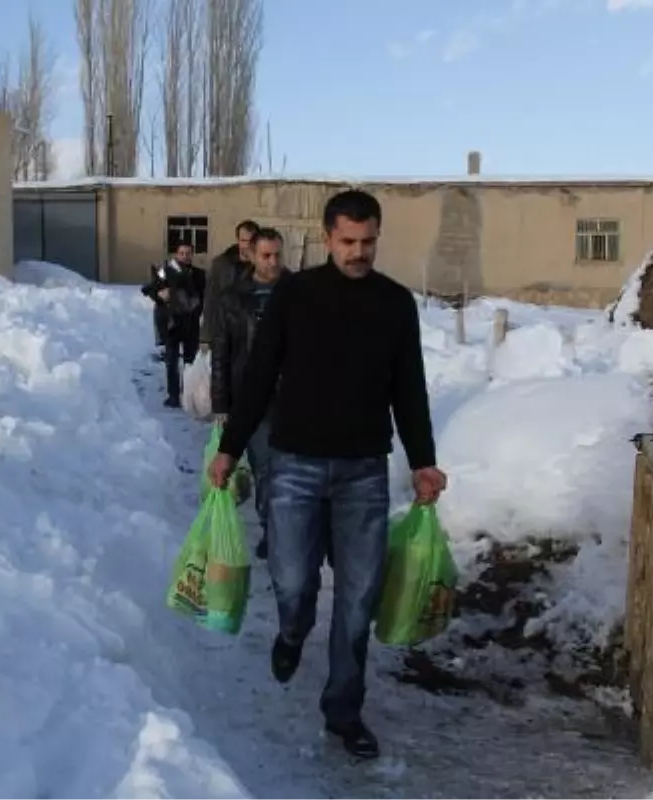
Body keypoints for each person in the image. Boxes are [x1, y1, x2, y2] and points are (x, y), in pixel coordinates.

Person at [205, 189, 448, 760]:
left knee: (359, 599)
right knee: (293, 584)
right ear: (328, 236)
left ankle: (344, 712)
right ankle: (292, 632)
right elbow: (260, 375)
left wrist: (422, 461)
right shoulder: (295, 295)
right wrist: (230, 447)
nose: (358, 252)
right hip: (293, 465)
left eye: (368, 243)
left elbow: (409, 388)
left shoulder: (394, 304)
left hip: (364, 470)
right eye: (348, 242)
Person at [210, 227, 289, 561]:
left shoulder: (298, 292)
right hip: (252, 400)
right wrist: (221, 403)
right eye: (266, 255)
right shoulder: (234, 298)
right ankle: (274, 534)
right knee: (267, 472)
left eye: (277, 255)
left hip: (295, 399)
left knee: (294, 474)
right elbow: (222, 353)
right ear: (252, 256)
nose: (273, 262)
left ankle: (292, 532)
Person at [142, 242, 206, 407]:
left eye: (188, 253)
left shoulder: (199, 274)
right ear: (176, 254)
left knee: (190, 362)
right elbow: (150, 289)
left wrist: (197, 308)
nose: (185, 256)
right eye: (181, 253)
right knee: (171, 362)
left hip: (190, 324)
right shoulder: (165, 271)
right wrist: (159, 295)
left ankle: (188, 395)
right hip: (171, 324)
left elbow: (205, 297)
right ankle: (173, 395)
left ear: (192, 255)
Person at [200, 220, 260, 354]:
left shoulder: (264, 264)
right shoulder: (220, 264)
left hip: (254, 333)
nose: (247, 245)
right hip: (225, 332)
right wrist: (206, 336)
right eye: (244, 240)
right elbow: (211, 300)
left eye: (252, 240)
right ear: (238, 240)